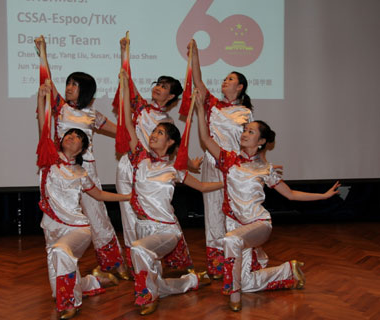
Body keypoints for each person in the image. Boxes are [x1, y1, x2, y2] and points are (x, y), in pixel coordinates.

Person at [194, 90, 340, 311]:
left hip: (258, 224)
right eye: (244, 130)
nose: (244, 133)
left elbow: (290, 194)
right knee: (245, 281)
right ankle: (287, 272)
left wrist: (324, 195)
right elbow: (205, 139)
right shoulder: (228, 160)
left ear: (261, 141)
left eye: (250, 131)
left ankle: (234, 299)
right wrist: (198, 109)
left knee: (231, 241)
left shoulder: (265, 169)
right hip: (235, 225)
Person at [120, 70, 222, 315]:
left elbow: (204, 187)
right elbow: (126, 122)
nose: (153, 135)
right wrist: (125, 86)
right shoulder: (139, 159)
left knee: (139, 250)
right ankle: (191, 281)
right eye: (154, 132)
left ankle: (148, 298)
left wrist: (227, 182)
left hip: (166, 230)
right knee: (156, 276)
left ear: (171, 143)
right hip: (143, 227)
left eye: (160, 134)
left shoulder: (175, 169)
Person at [35, 37, 129, 279]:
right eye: (68, 83)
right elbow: (47, 80)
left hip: (86, 170)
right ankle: (63, 261)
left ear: (85, 90)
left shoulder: (92, 114)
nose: (69, 88)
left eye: (75, 85)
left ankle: (114, 263)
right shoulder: (59, 107)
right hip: (60, 171)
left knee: (97, 214)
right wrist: (43, 52)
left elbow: (120, 132)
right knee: (63, 215)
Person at [115, 37, 201, 275]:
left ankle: (158, 258)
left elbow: (172, 153)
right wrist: (124, 52)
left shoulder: (169, 123)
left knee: (154, 215)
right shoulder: (141, 107)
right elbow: (126, 84)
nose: (158, 87)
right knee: (128, 213)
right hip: (128, 166)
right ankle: (135, 263)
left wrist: (190, 165)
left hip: (151, 173)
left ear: (172, 97)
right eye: (157, 83)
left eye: (164, 87)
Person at [36, 106, 131, 319]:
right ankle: (93, 281)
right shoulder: (47, 161)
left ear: (81, 149)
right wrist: (42, 99)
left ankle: (71, 304)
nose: (72, 136)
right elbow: (43, 127)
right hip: (51, 228)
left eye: (78, 136)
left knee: (62, 252)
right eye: (69, 133)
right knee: (56, 289)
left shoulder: (80, 172)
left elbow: (99, 195)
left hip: (77, 229)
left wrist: (127, 197)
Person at [187, 39, 266, 279]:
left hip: (235, 169)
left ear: (240, 87)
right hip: (213, 165)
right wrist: (195, 56)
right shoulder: (213, 105)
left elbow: (254, 142)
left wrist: (258, 168)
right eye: (224, 79)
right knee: (212, 214)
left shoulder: (246, 113)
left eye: (230, 79)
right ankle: (217, 265)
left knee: (237, 213)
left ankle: (240, 260)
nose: (225, 81)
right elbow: (198, 82)